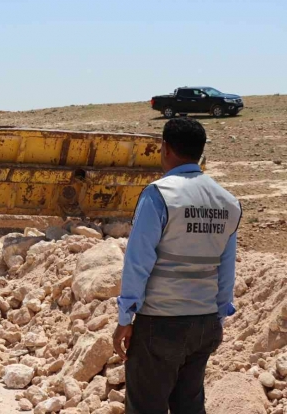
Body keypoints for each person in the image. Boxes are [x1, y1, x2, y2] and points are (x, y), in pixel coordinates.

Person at [113, 117, 241, 414]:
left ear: (166, 148)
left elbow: (138, 261)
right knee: (189, 407)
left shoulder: (160, 194)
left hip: (161, 323)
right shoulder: (228, 202)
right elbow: (226, 269)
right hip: (205, 322)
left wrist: (125, 317)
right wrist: (217, 319)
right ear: (199, 152)